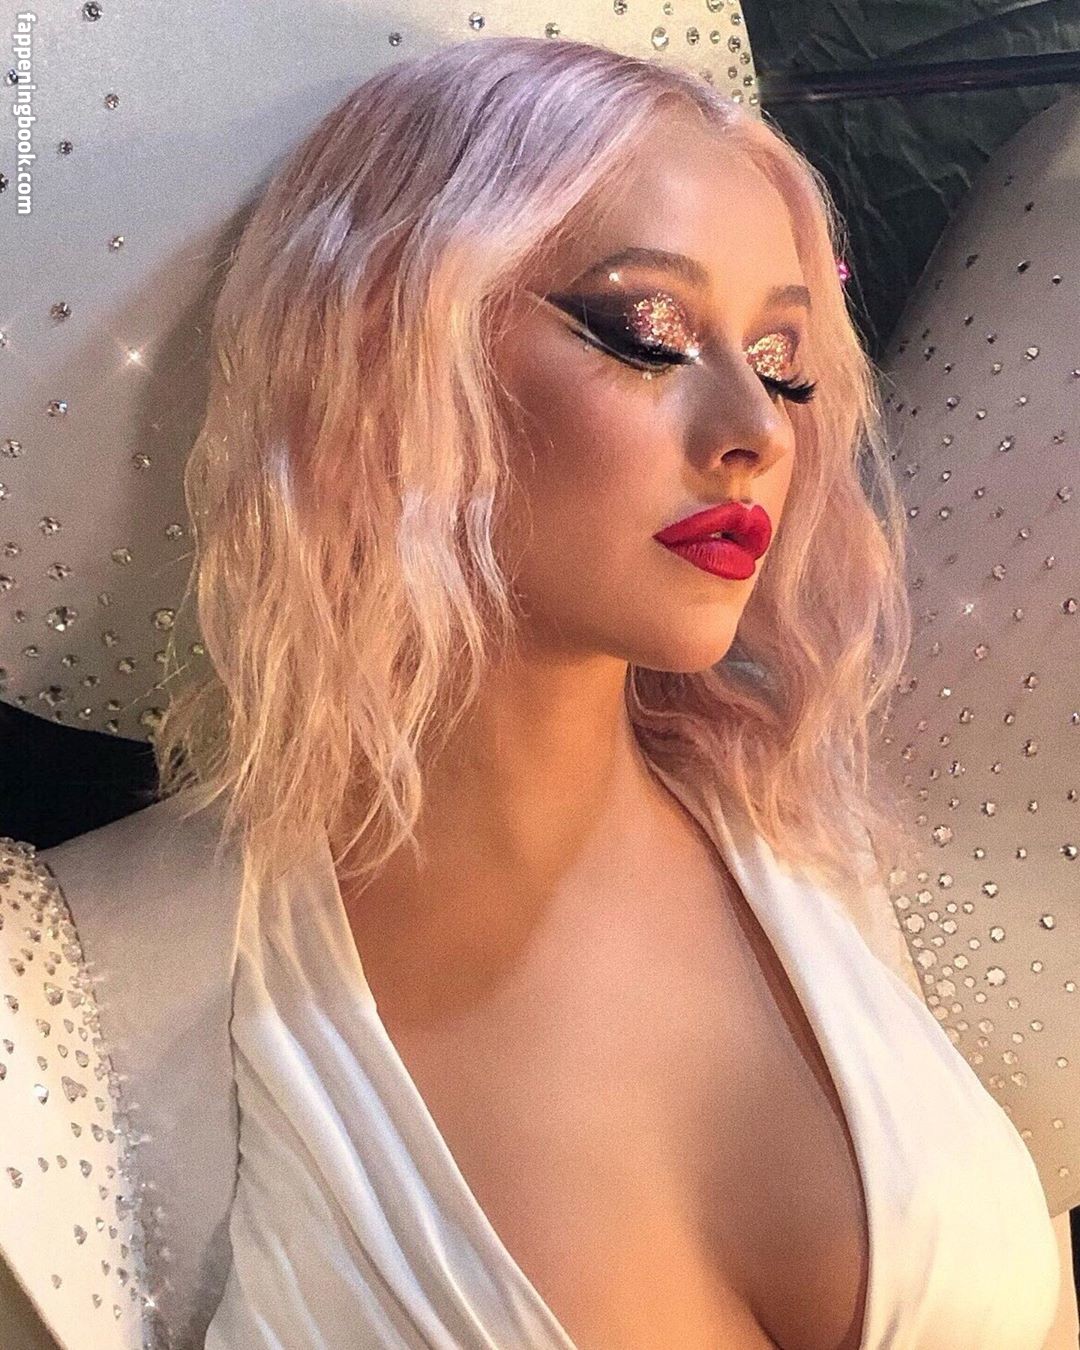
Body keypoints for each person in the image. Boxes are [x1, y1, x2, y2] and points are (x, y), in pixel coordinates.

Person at [1, 35, 1075, 1350]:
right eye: (649, 333)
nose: (756, 428)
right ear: (391, 353)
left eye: (783, 360)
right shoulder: (71, 992)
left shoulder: (823, 830)